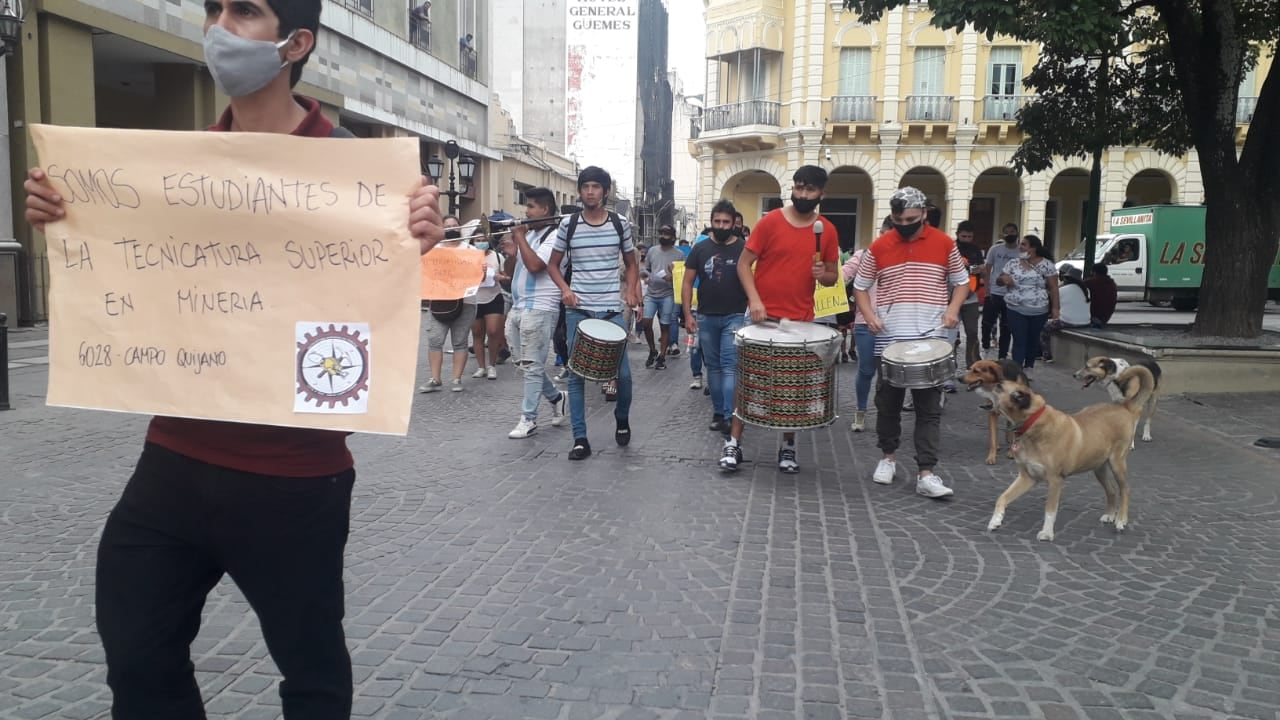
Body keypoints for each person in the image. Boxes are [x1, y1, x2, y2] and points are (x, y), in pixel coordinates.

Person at [22, 0, 447, 713]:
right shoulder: (179, 170)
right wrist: (67, 215)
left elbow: (379, 293)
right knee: (135, 652)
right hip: (173, 460)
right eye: (214, 9)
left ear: (295, 42)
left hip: (294, 480)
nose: (220, 26)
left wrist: (416, 238)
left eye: (244, 12)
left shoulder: (357, 170)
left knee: (311, 672)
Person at [719, 165, 840, 474]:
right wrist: (755, 300)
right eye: (798, 187)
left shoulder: (826, 230)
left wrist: (822, 273)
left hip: (801, 319)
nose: (802, 194)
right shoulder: (770, 222)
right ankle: (733, 443)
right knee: (749, 382)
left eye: (809, 189)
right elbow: (744, 265)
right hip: (762, 316)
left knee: (792, 388)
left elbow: (831, 277)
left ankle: (788, 447)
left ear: (821, 194)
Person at [853, 187, 968, 498]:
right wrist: (869, 315)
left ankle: (926, 472)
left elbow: (962, 282)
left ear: (924, 215)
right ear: (892, 217)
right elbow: (860, 287)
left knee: (928, 408)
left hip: (931, 339)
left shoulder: (945, 244)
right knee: (887, 404)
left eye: (912, 219)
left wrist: (952, 309)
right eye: (899, 219)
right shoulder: (878, 247)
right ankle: (887, 458)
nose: (905, 224)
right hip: (889, 339)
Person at [546, 166, 642, 461]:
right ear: (580, 191)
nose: (590, 191)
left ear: (605, 192)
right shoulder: (569, 225)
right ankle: (580, 439)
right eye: (585, 186)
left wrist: (631, 289)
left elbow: (631, 261)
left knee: (623, 376)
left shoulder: (619, 223)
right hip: (578, 310)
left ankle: (622, 417)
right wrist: (565, 288)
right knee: (577, 375)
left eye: (596, 187)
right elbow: (553, 264)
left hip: (611, 309)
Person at [503, 187, 568, 438]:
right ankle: (555, 397)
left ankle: (528, 418)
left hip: (541, 307)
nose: (525, 212)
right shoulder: (529, 236)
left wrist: (518, 237)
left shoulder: (555, 236)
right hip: (519, 306)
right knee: (525, 364)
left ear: (545, 210)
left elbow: (535, 266)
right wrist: (511, 253)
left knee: (532, 366)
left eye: (530, 207)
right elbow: (512, 272)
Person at [683, 200, 748, 435]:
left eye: (726, 222)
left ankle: (733, 416)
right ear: (711, 222)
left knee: (730, 367)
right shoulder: (700, 249)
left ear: (734, 224)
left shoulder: (743, 249)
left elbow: (753, 279)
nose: (721, 225)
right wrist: (688, 314)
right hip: (706, 317)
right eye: (717, 221)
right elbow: (687, 282)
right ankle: (719, 413)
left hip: (736, 316)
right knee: (714, 367)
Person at [421, 216, 479, 392]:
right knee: (434, 340)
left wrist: (480, 271)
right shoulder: (433, 251)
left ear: (460, 228)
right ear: (442, 229)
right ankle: (435, 378)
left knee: (460, 341)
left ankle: (456, 379)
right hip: (439, 301)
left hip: (465, 302)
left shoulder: (470, 250)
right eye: (448, 226)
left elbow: (479, 279)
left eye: (455, 226)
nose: (452, 229)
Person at [996, 234, 1059, 373]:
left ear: (1033, 248)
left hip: (1039, 309)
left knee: (1032, 339)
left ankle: (1029, 366)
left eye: (1024, 244)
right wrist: (1003, 279)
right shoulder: (1013, 263)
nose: (1020, 247)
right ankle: (1017, 370)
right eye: (1020, 244)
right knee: (1019, 339)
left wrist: (1055, 309)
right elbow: (999, 280)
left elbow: (1054, 288)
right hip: (1015, 308)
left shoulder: (1047, 265)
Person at [641, 225, 683, 370]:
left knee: (665, 325)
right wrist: (645, 276)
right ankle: (652, 350)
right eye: (661, 233)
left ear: (672, 237)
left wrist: (672, 276)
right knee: (646, 323)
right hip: (652, 293)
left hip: (668, 294)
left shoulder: (679, 254)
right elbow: (645, 268)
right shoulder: (652, 251)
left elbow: (682, 276)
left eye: (666, 234)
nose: (663, 236)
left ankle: (662, 356)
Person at [469, 229, 508, 380]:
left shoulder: (497, 257)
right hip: (474, 298)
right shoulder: (468, 258)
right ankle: (481, 367)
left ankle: (492, 365)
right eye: (477, 240)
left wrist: (500, 277)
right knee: (477, 333)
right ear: (472, 242)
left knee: (493, 331)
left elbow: (505, 275)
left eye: (483, 240)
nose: (480, 243)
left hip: (494, 296)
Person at [982, 223, 1021, 359]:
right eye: (1007, 232)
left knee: (1006, 327)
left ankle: (1002, 356)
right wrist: (987, 289)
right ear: (1003, 234)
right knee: (986, 324)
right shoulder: (995, 249)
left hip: (1012, 295)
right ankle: (985, 348)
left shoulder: (1022, 252)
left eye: (1012, 231)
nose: (1010, 234)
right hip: (994, 292)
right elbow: (987, 269)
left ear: (1017, 233)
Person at [1040, 266, 1091, 362]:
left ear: (1067, 279)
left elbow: (1051, 307)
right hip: (1086, 321)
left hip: (1067, 321)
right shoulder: (1086, 290)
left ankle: (1046, 355)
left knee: (1043, 327)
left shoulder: (1061, 290)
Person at [954, 220, 986, 367]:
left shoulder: (976, 250)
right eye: (964, 236)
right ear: (958, 235)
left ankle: (973, 364)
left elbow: (981, 268)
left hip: (971, 296)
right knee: (951, 335)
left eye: (969, 237)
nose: (966, 239)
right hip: (952, 297)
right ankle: (949, 366)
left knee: (973, 332)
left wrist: (976, 269)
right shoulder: (951, 248)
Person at [1086, 263, 1119, 327]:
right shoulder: (1112, 283)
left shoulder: (1091, 282)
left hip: (1094, 316)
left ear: (1094, 272)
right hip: (1106, 317)